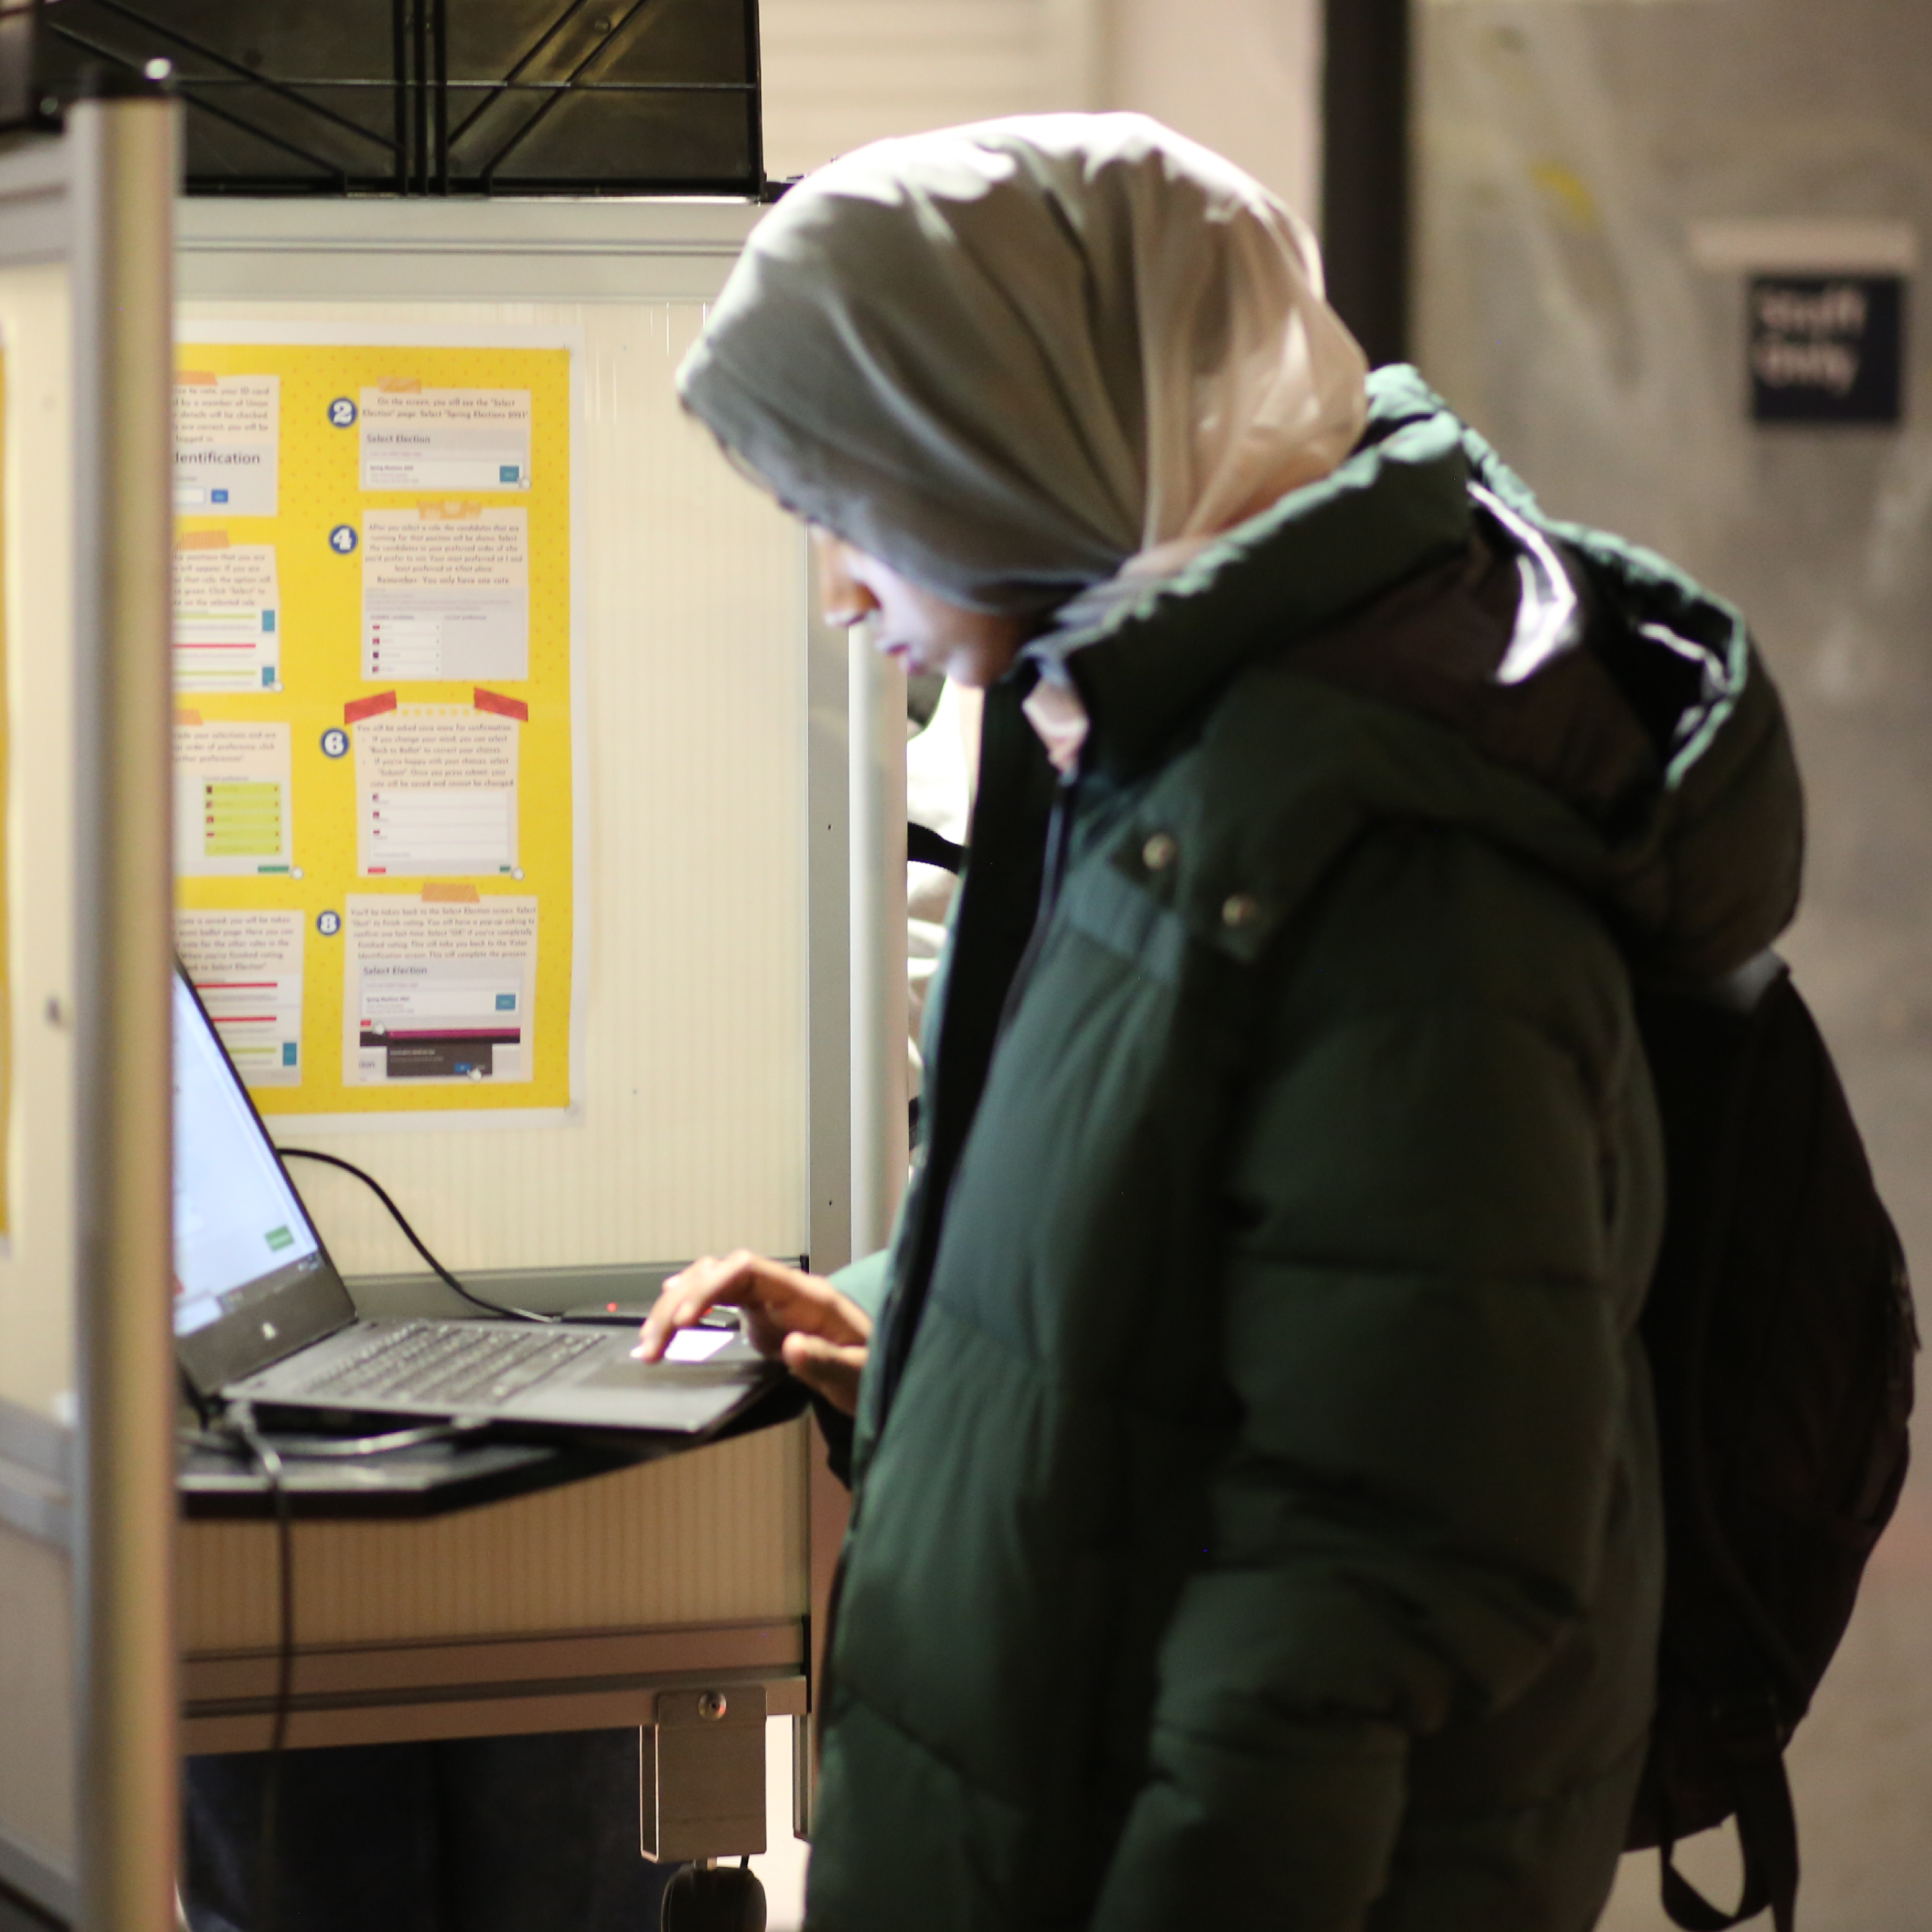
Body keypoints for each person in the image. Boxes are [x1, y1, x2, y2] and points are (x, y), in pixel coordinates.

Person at [641, 114, 1802, 1931]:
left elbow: (1379, 1561)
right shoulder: (1165, 751)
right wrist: (916, 1322)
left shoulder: (1388, 852)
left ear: (1017, 446)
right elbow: (1219, 1273)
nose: (837, 586)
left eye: (849, 509)